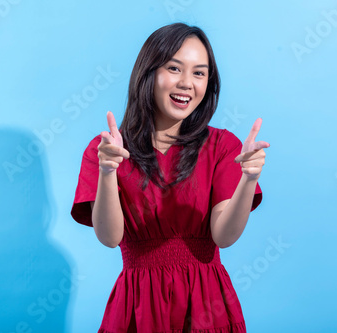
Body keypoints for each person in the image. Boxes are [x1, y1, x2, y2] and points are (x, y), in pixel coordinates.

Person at [71, 23, 270, 333]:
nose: (187, 83)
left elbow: (224, 237)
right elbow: (110, 238)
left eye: (199, 73)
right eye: (174, 68)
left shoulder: (223, 146)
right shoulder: (107, 151)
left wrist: (248, 179)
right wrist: (108, 172)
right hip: (137, 307)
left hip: (207, 304)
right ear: (148, 73)